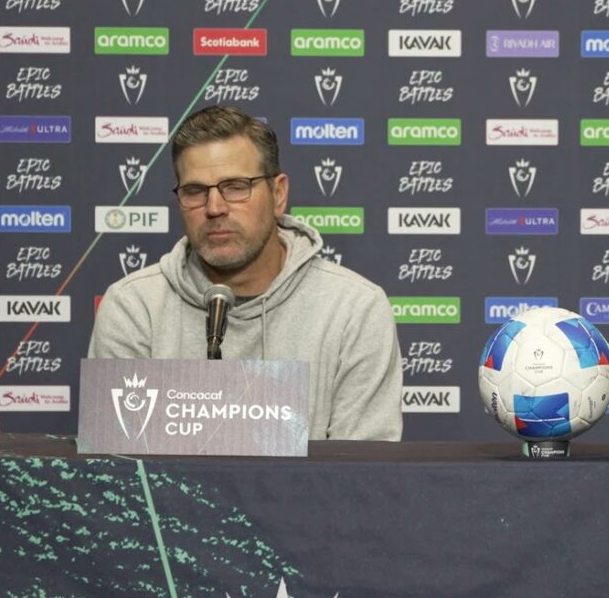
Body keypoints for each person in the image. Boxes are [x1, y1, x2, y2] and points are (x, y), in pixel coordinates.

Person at [89, 105, 403, 441]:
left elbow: (362, 468)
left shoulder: (355, 309)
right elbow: (118, 462)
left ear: (278, 194)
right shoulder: (134, 307)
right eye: (195, 191)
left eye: (236, 187)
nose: (214, 208)